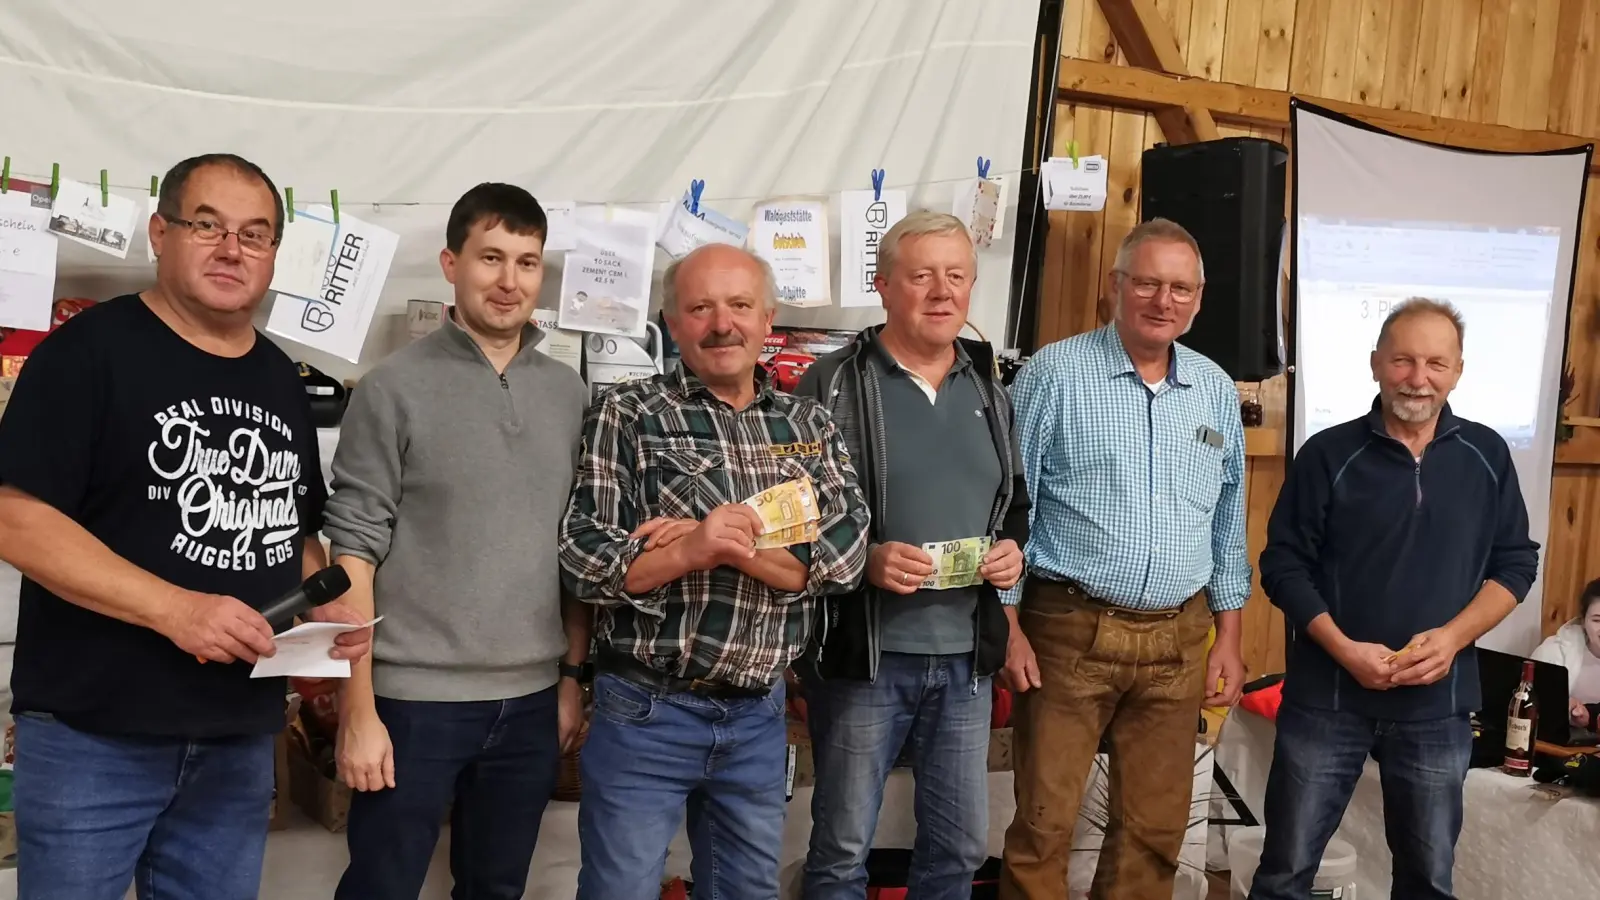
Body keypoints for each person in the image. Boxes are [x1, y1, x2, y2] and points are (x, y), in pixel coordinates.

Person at [0, 153, 373, 900]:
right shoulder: (86, 354)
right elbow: (16, 518)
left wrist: (320, 607)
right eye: (208, 225)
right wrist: (178, 610)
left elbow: (291, 529)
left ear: (273, 254)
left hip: (237, 736)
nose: (232, 248)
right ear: (159, 233)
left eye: (255, 233)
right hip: (94, 739)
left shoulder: (280, 377)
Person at [559, 242, 870, 899]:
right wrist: (689, 550)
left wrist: (731, 546)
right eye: (700, 308)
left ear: (767, 318)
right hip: (645, 707)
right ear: (673, 323)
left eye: (738, 305)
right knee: (619, 891)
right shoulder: (630, 413)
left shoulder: (806, 425)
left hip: (759, 714)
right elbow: (583, 555)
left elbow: (843, 555)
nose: (721, 324)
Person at [324, 183, 592, 898]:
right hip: (412, 702)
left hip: (533, 701)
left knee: (496, 889)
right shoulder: (391, 389)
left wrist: (569, 680)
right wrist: (358, 710)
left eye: (527, 263)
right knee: (382, 886)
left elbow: (578, 552)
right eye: (491, 258)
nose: (509, 282)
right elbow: (352, 548)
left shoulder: (571, 396)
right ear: (451, 263)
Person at [1249, 298, 1540, 900]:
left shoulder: (1487, 456)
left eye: (1436, 362)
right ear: (1376, 364)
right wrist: (1343, 649)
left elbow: (1515, 562)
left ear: (1458, 371)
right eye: (1403, 360)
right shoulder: (1328, 454)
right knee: (1284, 874)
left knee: (1428, 881)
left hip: (1438, 706)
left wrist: (1454, 638)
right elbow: (1282, 565)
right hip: (1327, 700)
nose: (1418, 377)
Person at [1000, 218, 1251, 899]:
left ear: (1198, 300)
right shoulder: (1054, 373)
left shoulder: (1214, 389)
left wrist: (1228, 637)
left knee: (1155, 833)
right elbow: (1008, 507)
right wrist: (1009, 625)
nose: (1161, 300)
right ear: (1116, 288)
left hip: (1179, 640)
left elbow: (1228, 521)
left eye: (1178, 288)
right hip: (1067, 630)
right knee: (1044, 828)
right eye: (1146, 282)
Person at [793, 211, 1030, 900]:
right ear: (884, 286)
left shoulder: (990, 388)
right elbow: (791, 514)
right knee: (841, 849)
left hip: (965, 662)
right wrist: (861, 560)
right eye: (921, 274)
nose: (940, 291)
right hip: (865, 659)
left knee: (956, 849)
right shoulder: (830, 383)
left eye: (956, 276)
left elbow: (1013, 505)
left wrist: (1012, 553)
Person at [1533, 578, 1600, 725]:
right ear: (1583, 620)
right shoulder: (1554, 651)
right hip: (1557, 744)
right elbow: (1528, 704)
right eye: (1597, 620)